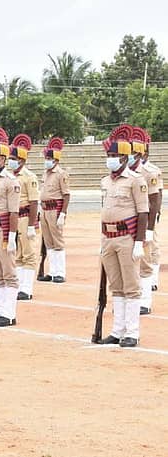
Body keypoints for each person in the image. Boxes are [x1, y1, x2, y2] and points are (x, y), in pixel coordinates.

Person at [98, 125, 149, 348]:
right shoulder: (106, 181)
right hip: (108, 237)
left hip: (127, 237)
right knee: (116, 286)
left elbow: (143, 212)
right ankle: (117, 330)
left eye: (115, 156)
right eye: (109, 156)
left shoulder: (136, 180)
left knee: (131, 285)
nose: (111, 159)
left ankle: (132, 332)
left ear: (125, 157)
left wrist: (139, 241)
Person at [0, 128, 20, 327]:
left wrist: (13, 236)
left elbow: (14, 211)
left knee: (9, 272)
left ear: (3, 158)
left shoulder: (10, 181)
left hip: (4, 229)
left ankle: (9, 313)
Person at [130, 126, 161, 315]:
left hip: (145, 221)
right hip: (128, 222)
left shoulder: (150, 172)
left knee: (146, 260)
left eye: (134, 151)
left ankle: (145, 300)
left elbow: (155, 199)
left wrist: (150, 228)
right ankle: (130, 299)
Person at [9, 134, 40, 303]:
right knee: (18, 254)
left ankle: (27, 288)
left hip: (26, 216)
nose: (11, 161)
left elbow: (34, 202)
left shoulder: (29, 177)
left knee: (28, 253)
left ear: (21, 160)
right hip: (14, 218)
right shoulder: (10, 176)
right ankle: (20, 285)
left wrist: (31, 225)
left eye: (13, 158)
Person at [39, 138, 70, 285]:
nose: (47, 161)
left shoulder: (61, 174)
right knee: (48, 242)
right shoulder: (45, 173)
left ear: (56, 160)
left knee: (57, 241)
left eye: (49, 158)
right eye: (46, 158)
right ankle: (52, 272)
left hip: (54, 209)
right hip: (44, 209)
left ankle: (60, 272)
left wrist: (63, 213)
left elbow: (66, 195)